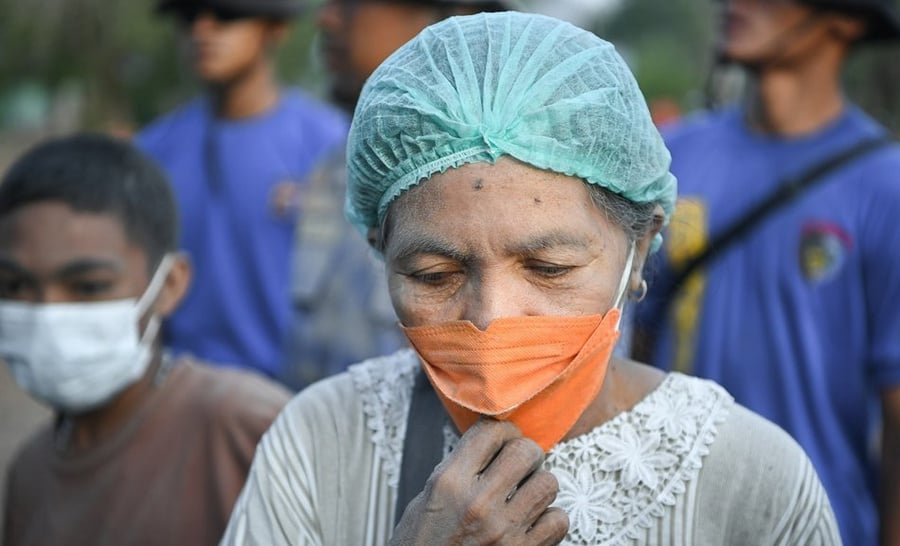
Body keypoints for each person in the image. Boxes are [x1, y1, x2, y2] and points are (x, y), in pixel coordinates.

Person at [221, 12, 842, 545]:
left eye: (550, 269)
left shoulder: (750, 479)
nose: (491, 318)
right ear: (380, 252)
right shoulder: (318, 446)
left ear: (641, 247)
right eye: (434, 274)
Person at [631, 1, 900, 545]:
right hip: (668, 522)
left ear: (848, 21)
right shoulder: (666, 160)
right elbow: (629, 345)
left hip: (818, 526)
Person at [0, 134, 291, 546]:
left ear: (170, 285)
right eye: (15, 285)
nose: (48, 313)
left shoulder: (248, 430)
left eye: (87, 287)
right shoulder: (29, 473)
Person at [283, 0, 517, 387]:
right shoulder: (333, 165)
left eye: (351, 6)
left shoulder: (498, 177)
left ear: (454, 16)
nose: (326, 18)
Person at [136, 0, 349, 379]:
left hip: (293, 402)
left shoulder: (331, 147)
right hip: (178, 392)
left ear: (277, 28)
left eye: (227, 15)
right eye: (188, 17)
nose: (202, 31)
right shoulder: (151, 153)